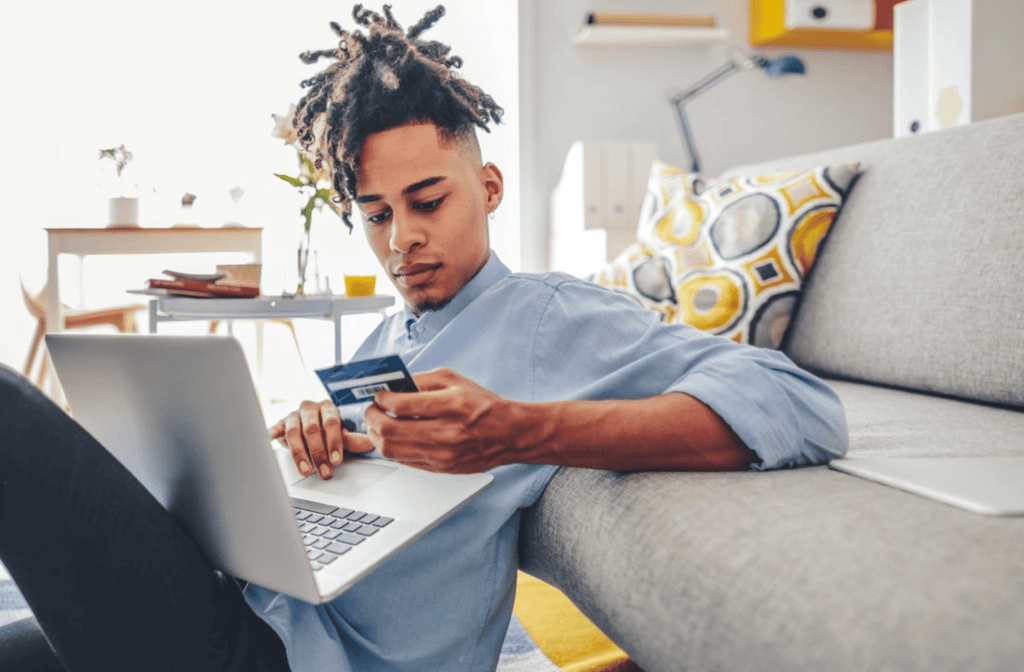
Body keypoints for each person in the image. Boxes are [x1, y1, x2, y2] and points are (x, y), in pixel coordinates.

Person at [0, 5, 847, 672]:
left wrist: (524, 429)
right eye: (376, 215)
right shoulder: (385, 332)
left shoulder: (549, 318)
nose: (400, 237)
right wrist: (309, 443)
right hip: (259, 613)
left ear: (488, 186)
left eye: (427, 201)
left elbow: (801, 404)